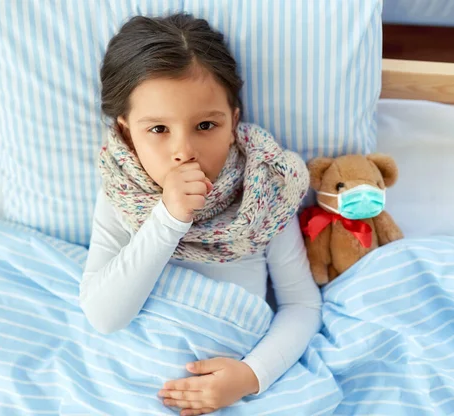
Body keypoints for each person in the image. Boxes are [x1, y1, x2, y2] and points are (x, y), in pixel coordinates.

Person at [80, 12, 322, 416]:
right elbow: (103, 316)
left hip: (233, 385)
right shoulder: (120, 193)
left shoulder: (263, 190)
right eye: (158, 129)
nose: (184, 150)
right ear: (126, 132)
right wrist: (169, 218)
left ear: (234, 122)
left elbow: (301, 305)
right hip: (135, 381)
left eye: (206, 125)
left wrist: (250, 376)